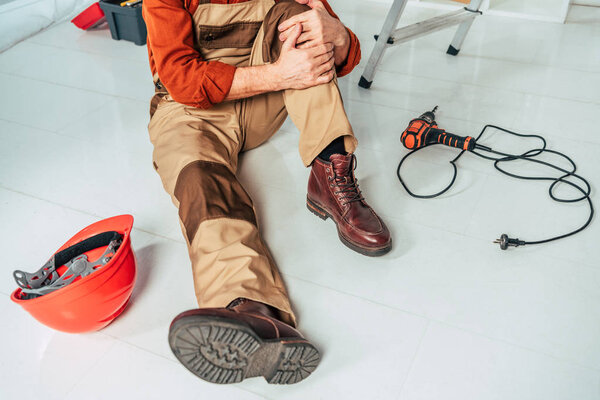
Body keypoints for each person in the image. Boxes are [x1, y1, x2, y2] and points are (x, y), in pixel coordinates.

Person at [142, 0, 392, 385]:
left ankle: (329, 171)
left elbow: (342, 52)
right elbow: (182, 79)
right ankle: (251, 309)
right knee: (202, 185)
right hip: (191, 112)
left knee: (301, 21)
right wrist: (279, 75)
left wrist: (337, 34)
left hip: (259, 103)